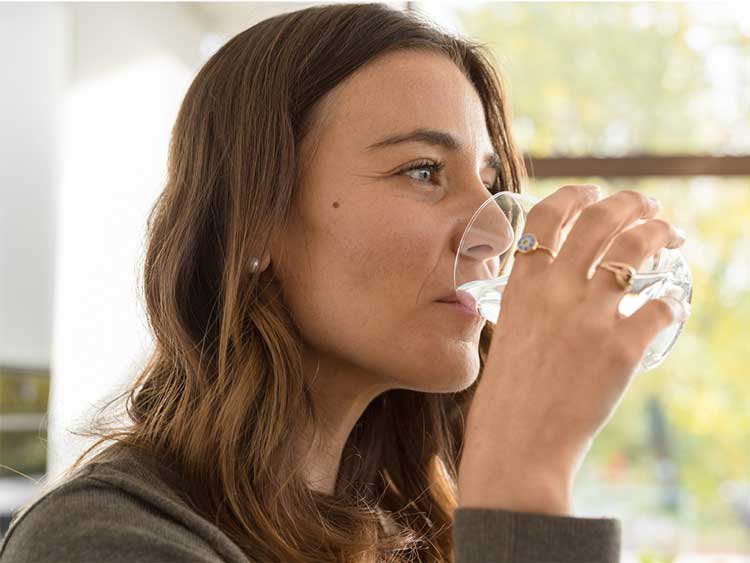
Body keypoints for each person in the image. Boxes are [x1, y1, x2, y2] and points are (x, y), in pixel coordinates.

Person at [0, 3, 689, 562]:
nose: (498, 232)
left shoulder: (411, 534)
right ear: (256, 223)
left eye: (491, 183)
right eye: (423, 171)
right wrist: (522, 481)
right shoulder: (102, 540)